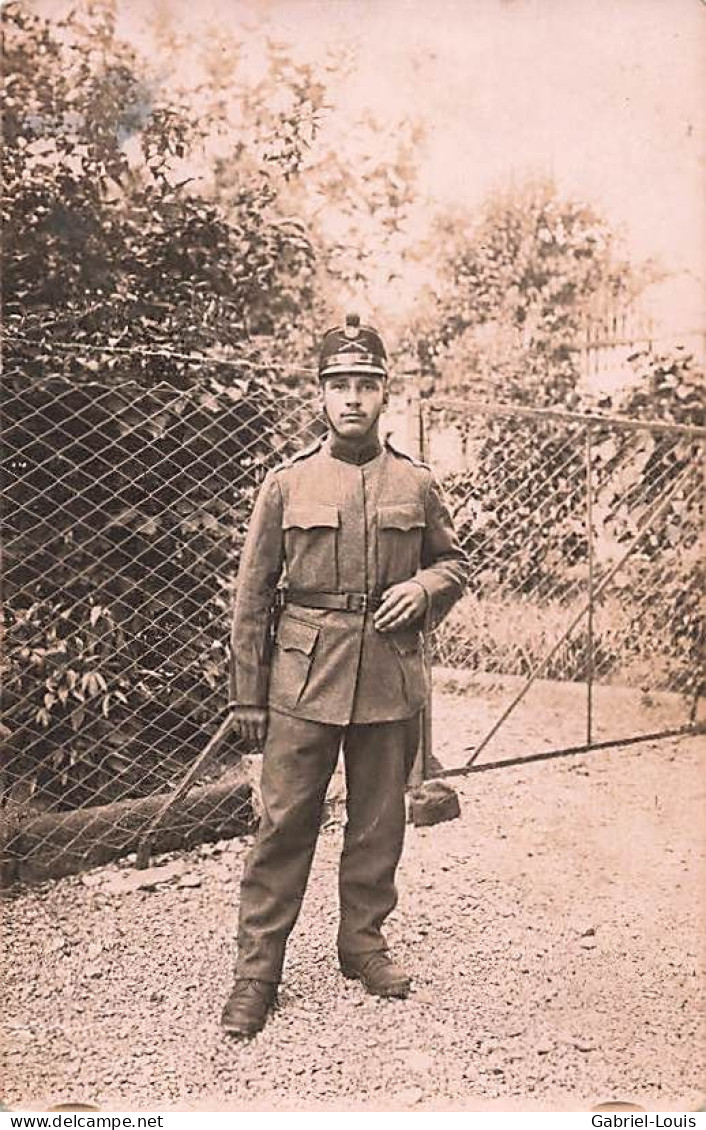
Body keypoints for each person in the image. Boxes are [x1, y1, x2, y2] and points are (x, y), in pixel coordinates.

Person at [222, 314, 468, 1037]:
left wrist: (425, 590)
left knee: (378, 825)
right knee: (283, 825)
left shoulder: (415, 484)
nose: (353, 399)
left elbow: (454, 562)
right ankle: (257, 972)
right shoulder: (287, 484)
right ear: (320, 396)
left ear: (385, 393)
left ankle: (362, 946)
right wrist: (249, 696)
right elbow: (251, 595)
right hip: (302, 680)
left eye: (366, 385)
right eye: (340, 386)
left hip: (388, 678)